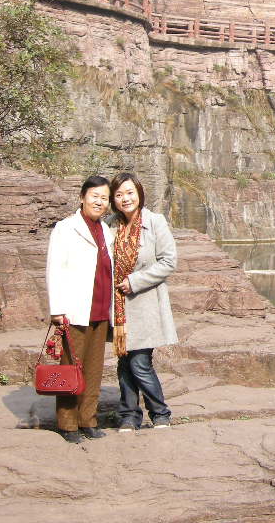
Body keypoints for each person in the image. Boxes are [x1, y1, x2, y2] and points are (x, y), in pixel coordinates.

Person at [45, 175, 114, 444]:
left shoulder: (105, 230)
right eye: (95, 196)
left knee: (94, 370)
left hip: (99, 310)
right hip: (74, 309)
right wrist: (57, 309)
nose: (99, 202)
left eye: (104, 198)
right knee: (70, 368)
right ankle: (67, 423)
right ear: (82, 197)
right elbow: (55, 269)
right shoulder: (66, 228)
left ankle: (88, 419)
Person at [107, 171, 178, 432]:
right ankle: (128, 415)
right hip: (120, 306)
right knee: (124, 362)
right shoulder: (111, 226)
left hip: (145, 301)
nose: (125, 198)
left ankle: (160, 413)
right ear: (113, 199)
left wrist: (135, 281)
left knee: (139, 362)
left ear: (139, 193)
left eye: (129, 192)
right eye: (119, 194)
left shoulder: (155, 221)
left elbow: (168, 261)